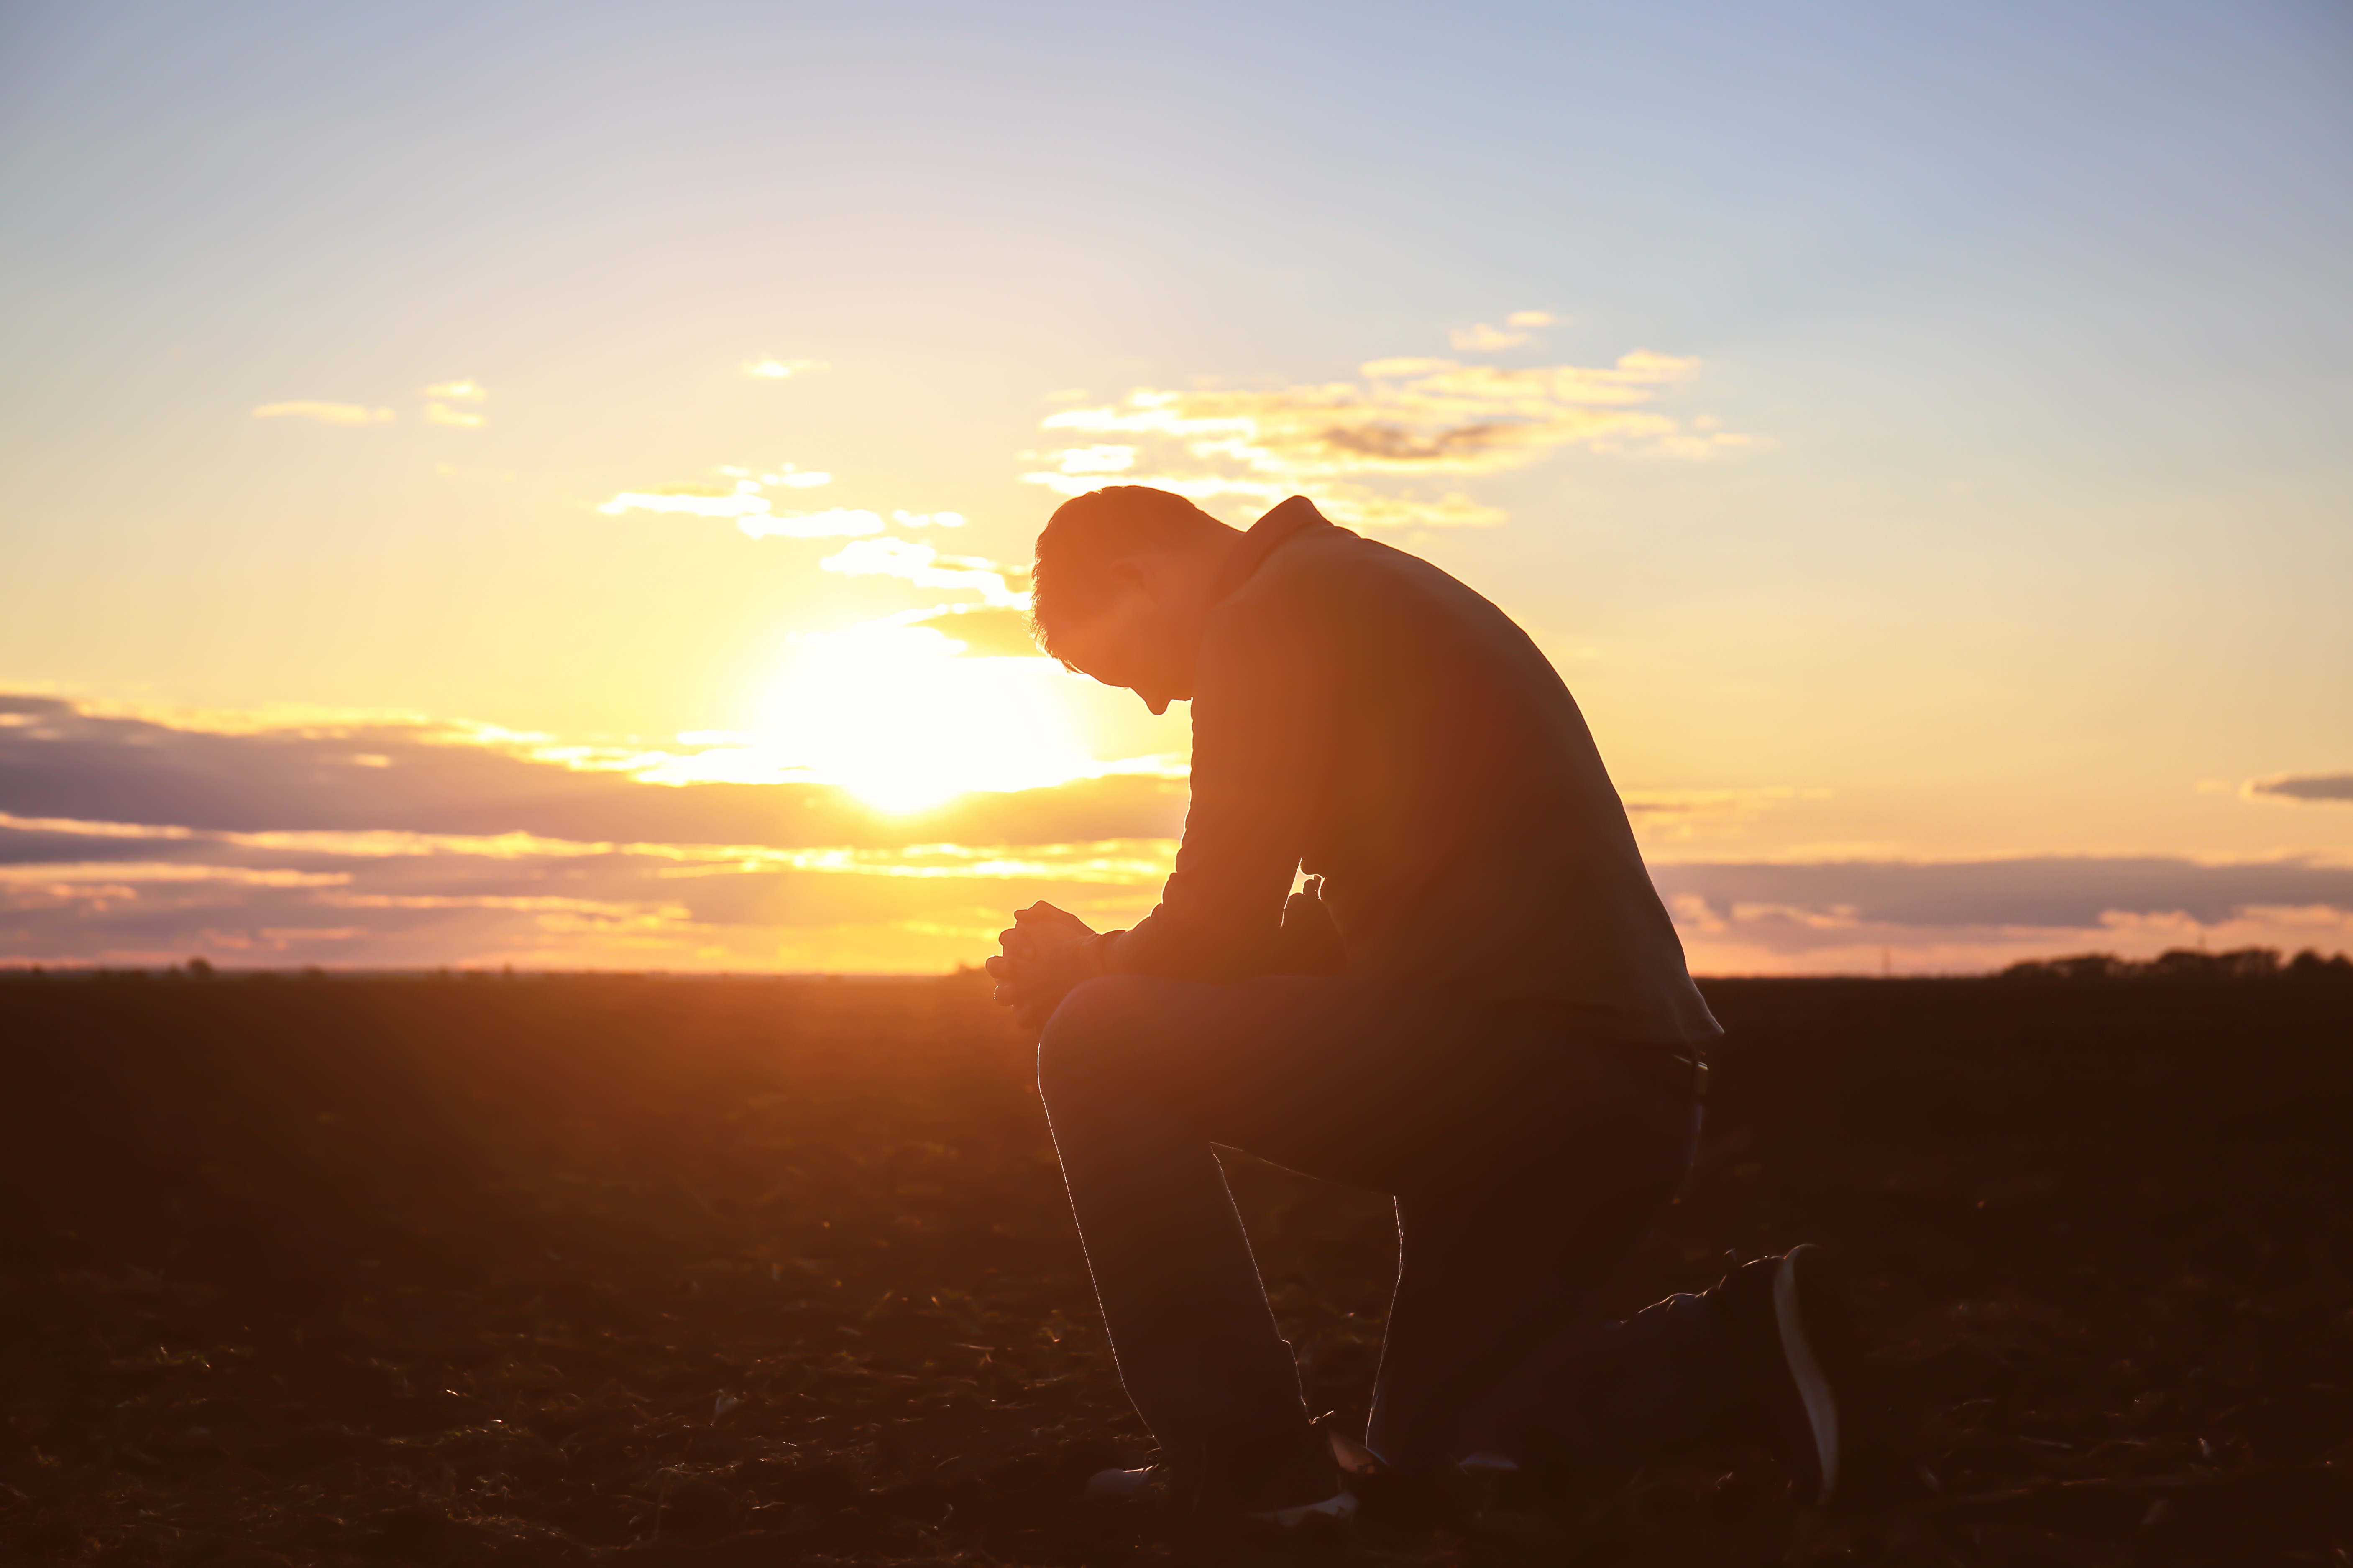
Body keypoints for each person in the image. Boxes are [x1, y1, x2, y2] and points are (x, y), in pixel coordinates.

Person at [985, 486, 1860, 1528]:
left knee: (1095, 1044)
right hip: (1619, 1099)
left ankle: (1247, 1464)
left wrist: (1090, 969)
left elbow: (1215, 931)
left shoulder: (1269, 612)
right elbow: (1318, 942)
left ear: (1137, 577)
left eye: (1115, 667)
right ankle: (1737, 1344)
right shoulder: (1359, 591)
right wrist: (1108, 958)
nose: (1150, 704)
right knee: (1429, 1465)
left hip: (1527, 1075)